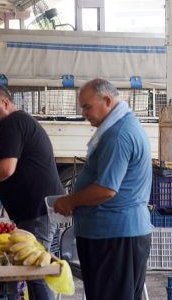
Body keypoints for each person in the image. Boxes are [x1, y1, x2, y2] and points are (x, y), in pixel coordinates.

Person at [0, 84, 64, 300]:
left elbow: (6, 168)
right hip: (36, 210)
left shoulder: (13, 124)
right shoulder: (18, 124)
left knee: (35, 271)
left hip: (37, 211)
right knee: (33, 271)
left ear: (5, 103)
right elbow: (6, 176)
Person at [53, 79, 152, 300]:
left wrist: (71, 201)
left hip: (116, 236)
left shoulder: (118, 135)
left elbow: (106, 189)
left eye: (87, 106)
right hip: (114, 234)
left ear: (107, 100)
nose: (83, 113)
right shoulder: (117, 127)